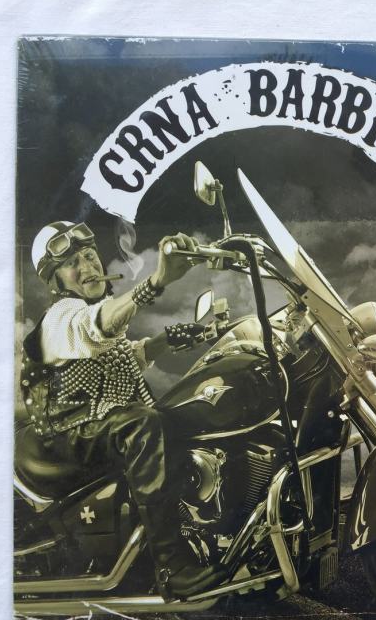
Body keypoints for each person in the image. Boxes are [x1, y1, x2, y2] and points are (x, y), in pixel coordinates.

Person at [18, 220, 226, 600]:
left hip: (91, 427)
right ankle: (171, 566)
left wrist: (168, 339)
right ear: (55, 280)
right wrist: (157, 281)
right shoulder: (62, 317)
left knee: (180, 414)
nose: (87, 266)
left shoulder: (93, 313)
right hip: (66, 434)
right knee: (142, 426)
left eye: (89, 255)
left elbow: (118, 358)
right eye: (72, 263)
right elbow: (95, 329)